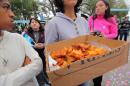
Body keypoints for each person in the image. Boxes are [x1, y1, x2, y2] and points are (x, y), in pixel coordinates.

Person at [45, 0, 90, 86]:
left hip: (84, 73)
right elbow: (49, 53)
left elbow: (88, 45)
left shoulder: (84, 21)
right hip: (66, 77)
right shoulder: (53, 23)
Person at [0, 0, 43, 86]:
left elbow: (38, 63)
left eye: (36, 22)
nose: (12, 14)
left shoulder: (17, 38)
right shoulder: (25, 34)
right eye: (5, 7)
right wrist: (24, 69)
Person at [88, 0, 118, 86]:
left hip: (103, 50)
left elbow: (115, 34)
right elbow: (87, 31)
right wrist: (89, 33)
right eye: (96, 6)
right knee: (91, 69)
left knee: (98, 73)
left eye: (101, 5)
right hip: (91, 48)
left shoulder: (111, 19)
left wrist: (105, 36)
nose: (97, 8)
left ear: (106, 7)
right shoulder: (91, 19)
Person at [23, 18, 49, 86]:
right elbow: (24, 45)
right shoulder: (26, 34)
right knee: (38, 72)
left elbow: (51, 41)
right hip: (33, 56)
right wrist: (34, 46)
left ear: (39, 24)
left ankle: (49, 81)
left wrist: (43, 45)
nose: (34, 23)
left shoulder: (45, 31)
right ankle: (42, 83)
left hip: (45, 55)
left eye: (36, 22)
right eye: (32, 22)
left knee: (47, 70)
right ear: (30, 25)